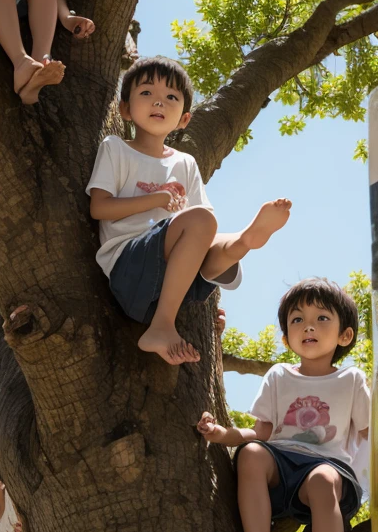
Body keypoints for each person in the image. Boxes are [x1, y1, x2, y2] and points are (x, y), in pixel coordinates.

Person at [87, 56, 291, 363]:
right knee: (199, 221)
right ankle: (162, 327)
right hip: (129, 266)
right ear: (125, 109)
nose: (159, 102)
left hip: (174, 281)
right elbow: (99, 208)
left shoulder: (184, 163)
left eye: (171, 97)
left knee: (211, 235)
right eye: (147, 93)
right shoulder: (116, 148)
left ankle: (243, 242)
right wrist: (156, 200)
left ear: (183, 118)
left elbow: (202, 228)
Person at [197, 278, 370, 532]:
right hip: (280, 464)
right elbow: (261, 431)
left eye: (322, 318)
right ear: (285, 338)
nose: (308, 325)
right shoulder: (278, 375)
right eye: (297, 319)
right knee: (251, 454)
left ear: (344, 336)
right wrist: (223, 435)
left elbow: (369, 432)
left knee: (322, 479)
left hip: (327, 470)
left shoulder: (352, 379)